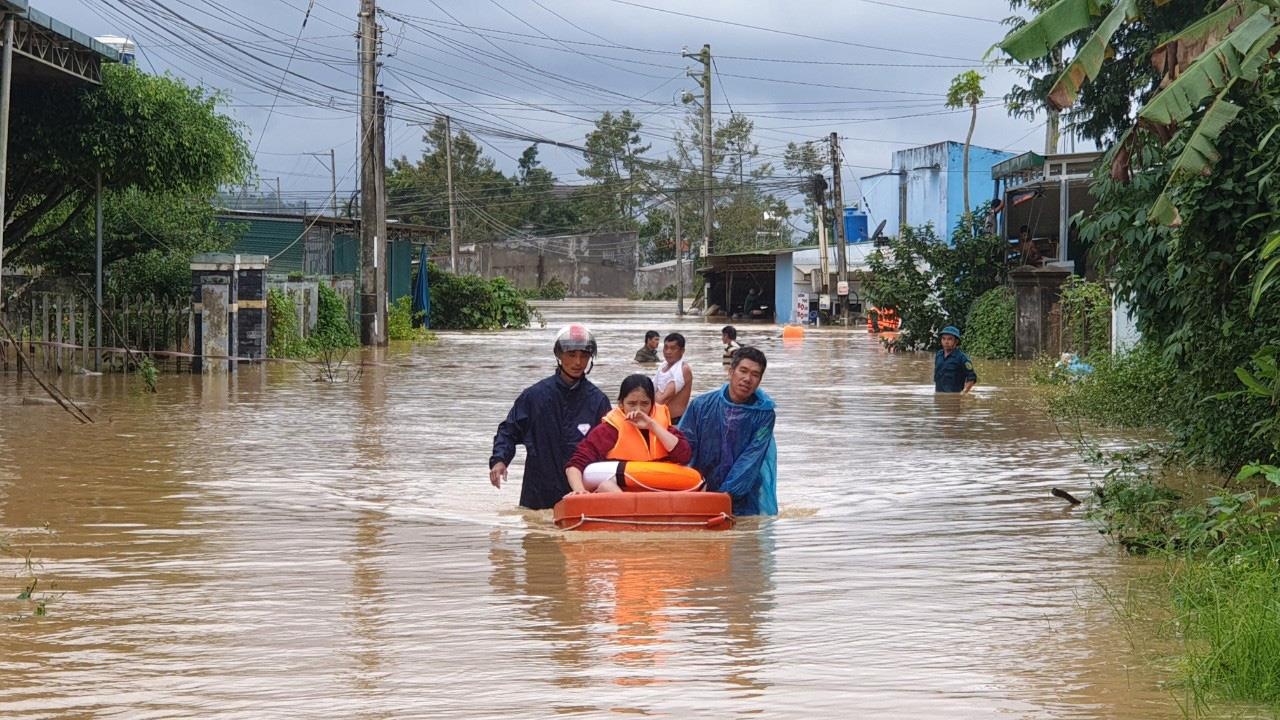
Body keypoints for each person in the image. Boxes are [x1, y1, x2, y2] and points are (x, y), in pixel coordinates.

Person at [489, 323, 612, 510]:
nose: (578, 362)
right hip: (538, 493)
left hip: (580, 494)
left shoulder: (598, 401)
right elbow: (509, 431)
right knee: (536, 536)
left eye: (584, 356)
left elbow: (610, 447)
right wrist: (500, 460)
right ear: (559, 355)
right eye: (572, 355)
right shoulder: (534, 396)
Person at [679, 347, 778, 516]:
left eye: (755, 375)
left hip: (742, 499)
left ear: (760, 380)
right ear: (731, 372)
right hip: (700, 491)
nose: (747, 379)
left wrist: (726, 495)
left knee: (742, 538)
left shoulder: (764, 414)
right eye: (743, 371)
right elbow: (684, 448)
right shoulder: (701, 405)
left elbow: (750, 460)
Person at [563, 374, 693, 495]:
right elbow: (575, 465)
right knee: (606, 486)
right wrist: (579, 491)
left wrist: (652, 426)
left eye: (645, 404)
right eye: (631, 404)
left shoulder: (664, 428)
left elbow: (684, 456)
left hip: (658, 492)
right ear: (621, 404)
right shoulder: (609, 431)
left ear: (653, 405)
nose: (638, 410)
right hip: (622, 495)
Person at [653, 332, 694, 423]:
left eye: (673, 348)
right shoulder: (663, 366)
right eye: (666, 347)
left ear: (682, 351)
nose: (668, 352)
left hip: (675, 422)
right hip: (660, 420)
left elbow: (662, 399)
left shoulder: (683, 369)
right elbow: (650, 388)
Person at [934, 325, 977, 394]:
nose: (946, 342)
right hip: (939, 396)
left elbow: (972, 378)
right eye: (943, 338)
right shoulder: (938, 355)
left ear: (956, 341)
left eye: (949, 339)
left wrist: (963, 394)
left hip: (954, 398)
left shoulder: (962, 358)